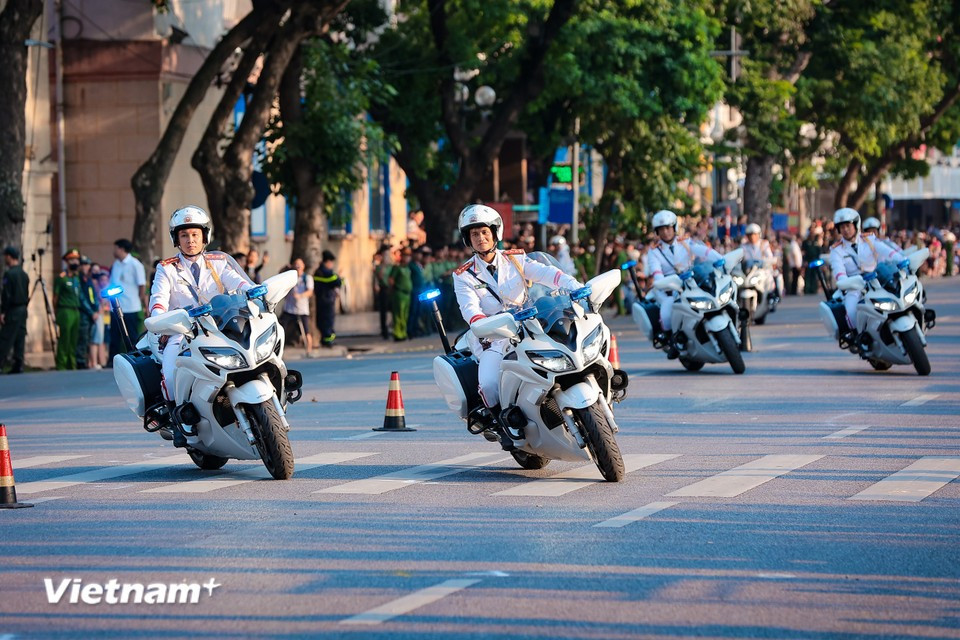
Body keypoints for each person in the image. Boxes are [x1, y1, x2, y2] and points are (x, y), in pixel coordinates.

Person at [453, 204, 582, 451]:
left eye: (484, 232)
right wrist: (481, 323)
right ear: (468, 239)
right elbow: (469, 309)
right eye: (474, 234)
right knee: (489, 384)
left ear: (495, 233)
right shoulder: (464, 276)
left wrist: (573, 285)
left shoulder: (516, 260)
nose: (480, 238)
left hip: (530, 327)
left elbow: (548, 274)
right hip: (494, 336)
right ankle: (505, 426)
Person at [148, 206, 252, 447]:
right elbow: (159, 298)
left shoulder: (218, 262)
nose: (190, 240)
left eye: (195, 234)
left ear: (205, 236)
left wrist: (253, 290)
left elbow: (237, 281)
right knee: (171, 366)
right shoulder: (167, 268)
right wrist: (158, 315)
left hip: (219, 325)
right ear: (176, 239)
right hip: (182, 330)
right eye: (184, 235)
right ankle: (178, 417)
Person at [646, 210, 722, 358]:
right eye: (662, 229)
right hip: (667, 287)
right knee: (667, 312)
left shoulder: (685, 242)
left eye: (668, 228)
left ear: (674, 227)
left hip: (689, 280)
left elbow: (704, 251)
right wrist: (664, 283)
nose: (666, 232)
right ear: (657, 232)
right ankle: (674, 341)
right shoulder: (654, 251)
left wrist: (720, 260)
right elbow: (656, 272)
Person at [829, 208, 904, 347]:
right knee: (851, 311)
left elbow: (886, 251)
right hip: (854, 285)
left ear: (855, 225)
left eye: (848, 226)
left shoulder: (869, 239)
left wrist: (902, 260)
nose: (845, 230)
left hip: (876, 279)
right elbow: (838, 270)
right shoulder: (836, 250)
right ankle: (861, 340)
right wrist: (844, 281)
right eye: (842, 227)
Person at [108, 238, 147, 362]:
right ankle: (112, 360)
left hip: (131, 307)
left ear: (121, 249)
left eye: (115, 248)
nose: (113, 251)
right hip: (115, 306)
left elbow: (142, 285)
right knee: (114, 336)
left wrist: (140, 300)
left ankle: (134, 359)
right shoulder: (115, 264)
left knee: (132, 336)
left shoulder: (135, 264)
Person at [0, 246, 29, 374]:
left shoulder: (9, 274)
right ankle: (18, 363)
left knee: (6, 337)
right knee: (19, 336)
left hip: (13, 310)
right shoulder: (24, 274)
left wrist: (3, 311)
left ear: (9, 257)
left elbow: (6, 295)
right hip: (23, 309)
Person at [53, 249, 82, 370]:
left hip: (76, 311)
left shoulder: (77, 278)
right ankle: (61, 366)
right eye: (72, 259)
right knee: (64, 339)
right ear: (67, 262)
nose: (75, 262)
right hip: (65, 311)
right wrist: (56, 313)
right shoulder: (61, 278)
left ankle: (72, 365)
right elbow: (55, 298)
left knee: (73, 340)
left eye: (76, 259)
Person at [284, 258, 314, 354]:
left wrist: (300, 296)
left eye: (300, 265)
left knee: (306, 330)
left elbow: (310, 292)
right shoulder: (289, 277)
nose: (298, 267)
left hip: (302, 309)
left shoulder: (307, 278)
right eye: (296, 264)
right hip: (289, 309)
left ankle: (309, 350)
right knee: (282, 327)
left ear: (303, 266)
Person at [313, 250, 341, 348]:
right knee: (328, 321)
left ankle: (326, 339)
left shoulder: (318, 271)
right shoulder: (327, 272)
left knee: (322, 321)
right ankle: (328, 341)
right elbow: (338, 281)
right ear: (328, 262)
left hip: (320, 300)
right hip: (327, 301)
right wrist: (339, 276)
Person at [75, 256, 98, 369]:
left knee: (88, 337)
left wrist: (96, 309)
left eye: (87, 264)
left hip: (91, 313)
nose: (85, 267)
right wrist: (91, 312)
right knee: (82, 338)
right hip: (84, 313)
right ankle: (80, 361)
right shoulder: (78, 279)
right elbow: (81, 298)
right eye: (83, 264)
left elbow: (93, 295)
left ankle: (86, 360)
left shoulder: (88, 279)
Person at [390, 248, 413, 341]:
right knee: (398, 314)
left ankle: (403, 333)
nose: (407, 258)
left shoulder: (407, 268)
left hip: (407, 294)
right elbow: (391, 280)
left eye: (408, 256)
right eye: (405, 256)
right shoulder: (397, 267)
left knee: (405, 315)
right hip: (399, 293)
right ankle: (397, 333)